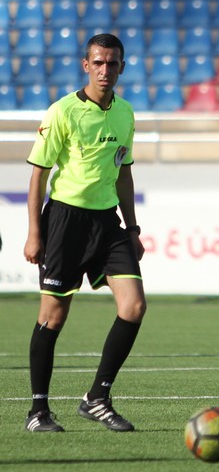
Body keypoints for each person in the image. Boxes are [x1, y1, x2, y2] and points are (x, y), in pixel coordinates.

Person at [23, 33, 144, 433]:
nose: (105, 70)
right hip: (65, 221)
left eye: (112, 63)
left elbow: (124, 172)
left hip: (108, 223)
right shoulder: (62, 111)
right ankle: (38, 411)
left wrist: (132, 227)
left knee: (133, 307)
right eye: (98, 62)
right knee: (53, 317)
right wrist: (35, 232)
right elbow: (39, 176)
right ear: (86, 65)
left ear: (121, 67)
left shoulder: (126, 113)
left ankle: (97, 398)